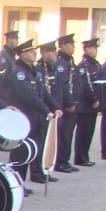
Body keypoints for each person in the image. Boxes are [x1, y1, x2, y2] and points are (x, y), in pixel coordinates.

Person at [0, 38, 55, 191]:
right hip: (23, 118)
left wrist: (54, 108)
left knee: (31, 151)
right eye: (30, 51)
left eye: (33, 51)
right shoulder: (18, 72)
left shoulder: (34, 71)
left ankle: (24, 182)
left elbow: (43, 93)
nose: (34, 53)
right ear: (22, 54)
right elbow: (28, 96)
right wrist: (46, 110)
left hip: (36, 118)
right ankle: (16, 183)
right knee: (20, 153)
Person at [32, 40, 61, 183]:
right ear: (45, 53)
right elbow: (39, 93)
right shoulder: (38, 69)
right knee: (38, 142)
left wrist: (55, 106)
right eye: (52, 51)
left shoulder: (51, 68)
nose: (55, 54)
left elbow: (49, 92)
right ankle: (36, 172)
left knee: (45, 142)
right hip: (40, 112)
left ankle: (42, 170)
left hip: (48, 110)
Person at [52, 34, 80, 173]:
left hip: (73, 103)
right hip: (65, 105)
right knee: (63, 135)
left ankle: (65, 160)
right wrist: (69, 103)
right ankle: (60, 162)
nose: (73, 47)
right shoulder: (61, 62)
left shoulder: (69, 61)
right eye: (70, 44)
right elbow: (63, 85)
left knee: (68, 135)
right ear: (62, 45)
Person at [74, 37, 101, 166]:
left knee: (89, 132)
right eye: (93, 48)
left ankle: (85, 155)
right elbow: (85, 85)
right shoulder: (83, 65)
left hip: (93, 105)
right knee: (83, 132)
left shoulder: (95, 64)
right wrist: (93, 99)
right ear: (87, 49)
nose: (95, 50)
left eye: (96, 48)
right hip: (86, 104)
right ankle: (80, 157)